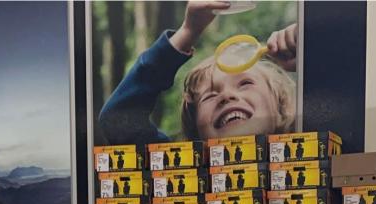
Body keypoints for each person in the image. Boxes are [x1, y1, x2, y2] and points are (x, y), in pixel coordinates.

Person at [97, 1, 297, 144]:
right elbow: (117, 120)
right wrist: (187, 32)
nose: (227, 96)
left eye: (245, 83)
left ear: (281, 109)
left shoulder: (309, 149)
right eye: (209, 96)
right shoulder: (177, 169)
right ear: (196, 131)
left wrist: (308, 48)